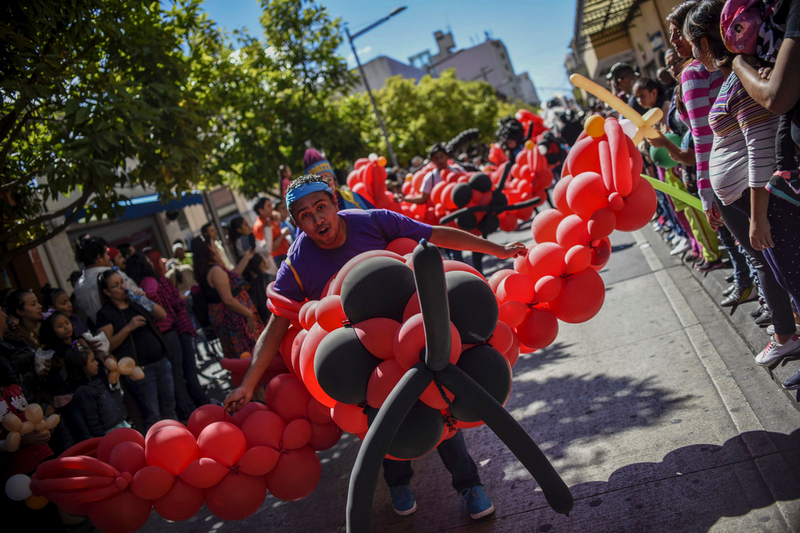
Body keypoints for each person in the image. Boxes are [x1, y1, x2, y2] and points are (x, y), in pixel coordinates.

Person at [223, 174, 527, 520]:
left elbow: (433, 234)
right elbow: (276, 326)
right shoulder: (297, 261)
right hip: (363, 352)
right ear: (297, 224)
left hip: (409, 333)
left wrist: (497, 249)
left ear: (335, 203)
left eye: (321, 207)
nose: (317, 219)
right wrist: (248, 385)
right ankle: (398, 483)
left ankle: (470, 485)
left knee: (441, 407)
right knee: (381, 419)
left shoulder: (374, 221)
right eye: (305, 215)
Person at [686, 0, 800, 368]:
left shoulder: (742, 76)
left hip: (766, 203)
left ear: (708, 42)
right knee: (786, 277)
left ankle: (788, 337)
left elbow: (760, 150)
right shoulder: (740, 75)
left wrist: (757, 216)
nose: (690, 54)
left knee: (793, 278)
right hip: (752, 201)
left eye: (692, 45)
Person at [94, 269, 177, 430]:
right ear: (106, 291)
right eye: (116, 285)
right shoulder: (105, 314)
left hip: (160, 361)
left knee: (170, 410)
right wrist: (128, 327)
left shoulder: (135, 302)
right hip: (138, 370)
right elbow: (107, 345)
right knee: (153, 416)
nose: (122, 287)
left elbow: (162, 315)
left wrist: (145, 300)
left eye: (122, 282)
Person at [124, 253, 199, 420]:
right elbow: (152, 296)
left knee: (179, 376)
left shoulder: (146, 283)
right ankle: (189, 412)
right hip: (167, 333)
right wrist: (151, 300)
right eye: (149, 261)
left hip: (166, 333)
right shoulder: (149, 282)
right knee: (180, 376)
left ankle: (189, 410)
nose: (152, 263)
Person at [192, 235, 265, 358]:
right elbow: (227, 299)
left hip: (231, 316)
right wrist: (248, 314)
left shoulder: (209, 269)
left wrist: (246, 258)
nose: (216, 248)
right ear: (208, 249)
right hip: (236, 317)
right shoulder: (215, 271)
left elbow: (231, 278)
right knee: (251, 352)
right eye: (213, 245)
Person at [72, 234, 140, 325]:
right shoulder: (114, 275)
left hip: (105, 334)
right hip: (131, 326)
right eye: (106, 254)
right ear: (99, 258)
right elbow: (138, 297)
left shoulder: (78, 286)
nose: (108, 258)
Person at [64, 345, 129, 437]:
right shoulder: (84, 391)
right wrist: (102, 438)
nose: (97, 363)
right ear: (81, 367)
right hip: (110, 433)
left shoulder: (96, 382)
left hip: (119, 425)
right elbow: (92, 420)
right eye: (92, 361)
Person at [303, 148, 374, 210]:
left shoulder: (352, 198)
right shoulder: (314, 210)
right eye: (320, 180)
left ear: (334, 179)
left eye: (328, 177)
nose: (326, 182)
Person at [399, 143, 465, 206]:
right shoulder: (430, 177)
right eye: (436, 159)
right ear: (432, 161)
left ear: (447, 156)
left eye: (441, 157)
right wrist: (404, 199)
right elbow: (423, 199)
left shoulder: (457, 169)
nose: (440, 161)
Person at [251, 198, 279, 275]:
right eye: (269, 206)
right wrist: (283, 235)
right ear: (261, 211)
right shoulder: (259, 226)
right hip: (277, 259)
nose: (272, 208)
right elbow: (267, 248)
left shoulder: (269, 220)